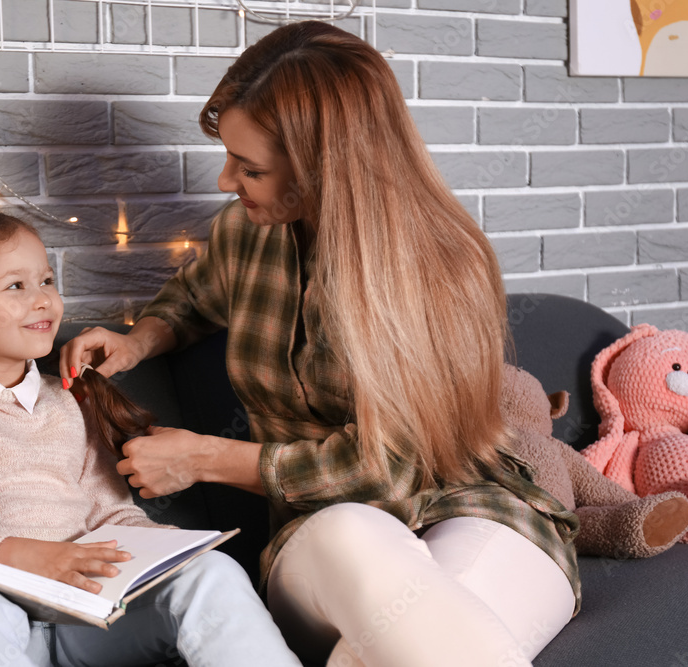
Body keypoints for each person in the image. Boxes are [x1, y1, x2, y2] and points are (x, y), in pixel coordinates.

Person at [59, 21, 581, 667]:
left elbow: (385, 467)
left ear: (326, 168)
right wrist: (138, 342)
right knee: (348, 530)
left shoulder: (442, 264)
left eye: (249, 168)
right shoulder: (246, 232)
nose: (225, 181)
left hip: (474, 507)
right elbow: (195, 298)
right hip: (323, 538)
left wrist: (203, 458)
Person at [0, 213, 303, 667]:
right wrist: (32, 556)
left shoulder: (68, 400)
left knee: (212, 572)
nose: (42, 300)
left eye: (47, 280)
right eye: (16, 286)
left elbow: (109, 511)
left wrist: (163, 549)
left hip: (82, 616)